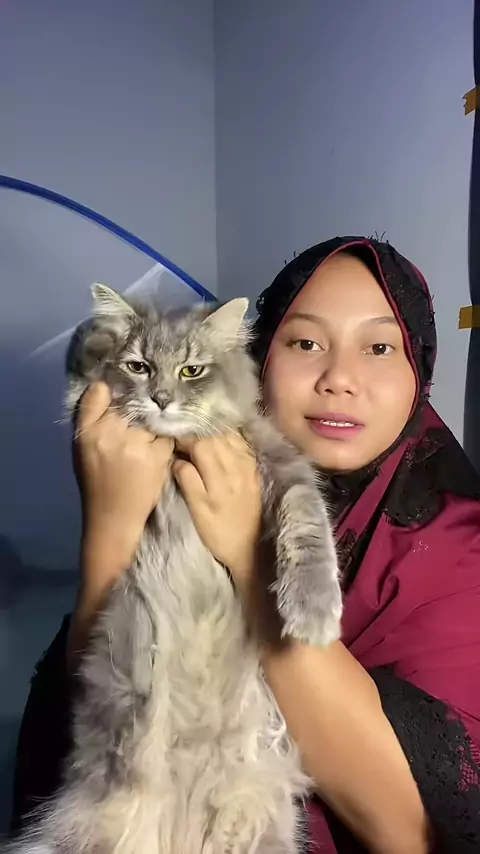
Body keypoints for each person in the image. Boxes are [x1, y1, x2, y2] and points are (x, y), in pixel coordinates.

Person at [10, 236, 480, 853]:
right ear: (260, 357)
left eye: (379, 347)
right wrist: (110, 527)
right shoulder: (187, 451)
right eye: (305, 343)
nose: (339, 379)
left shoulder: (460, 546)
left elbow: (412, 833)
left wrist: (248, 557)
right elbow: (92, 719)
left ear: (418, 369)